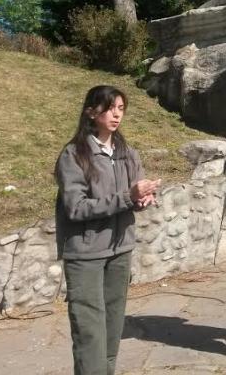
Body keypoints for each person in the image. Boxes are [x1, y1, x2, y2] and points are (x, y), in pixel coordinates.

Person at [56, 86, 161, 375]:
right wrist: (128, 197)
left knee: (112, 328)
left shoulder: (127, 152)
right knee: (90, 333)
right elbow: (76, 208)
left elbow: (132, 195)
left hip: (120, 251)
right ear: (92, 111)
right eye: (110, 107)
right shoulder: (74, 155)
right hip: (86, 254)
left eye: (121, 108)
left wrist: (143, 198)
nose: (117, 114)